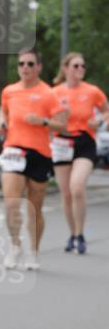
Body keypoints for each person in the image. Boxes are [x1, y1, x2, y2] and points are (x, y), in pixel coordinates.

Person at [0, 48, 67, 271]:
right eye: (21, 64)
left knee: (34, 207)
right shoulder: (9, 91)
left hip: (40, 153)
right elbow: (3, 110)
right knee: (11, 202)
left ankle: (33, 251)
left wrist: (43, 121)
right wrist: (0, 123)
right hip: (14, 150)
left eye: (30, 64)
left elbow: (62, 123)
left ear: (39, 67)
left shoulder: (49, 93)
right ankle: (15, 245)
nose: (25, 68)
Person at [51, 52, 109, 254]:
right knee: (66, 194)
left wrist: (100, 121)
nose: (80, 70)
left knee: (77, 187)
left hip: (85, 142)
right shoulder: (55, 92)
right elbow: (47, 119)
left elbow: (106, 110)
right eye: (75, 66)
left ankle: (80, 234)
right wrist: (55, 121)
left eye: (82, 66)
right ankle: (73, 233)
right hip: (61, 142)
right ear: (65, 69)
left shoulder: (92, 91)